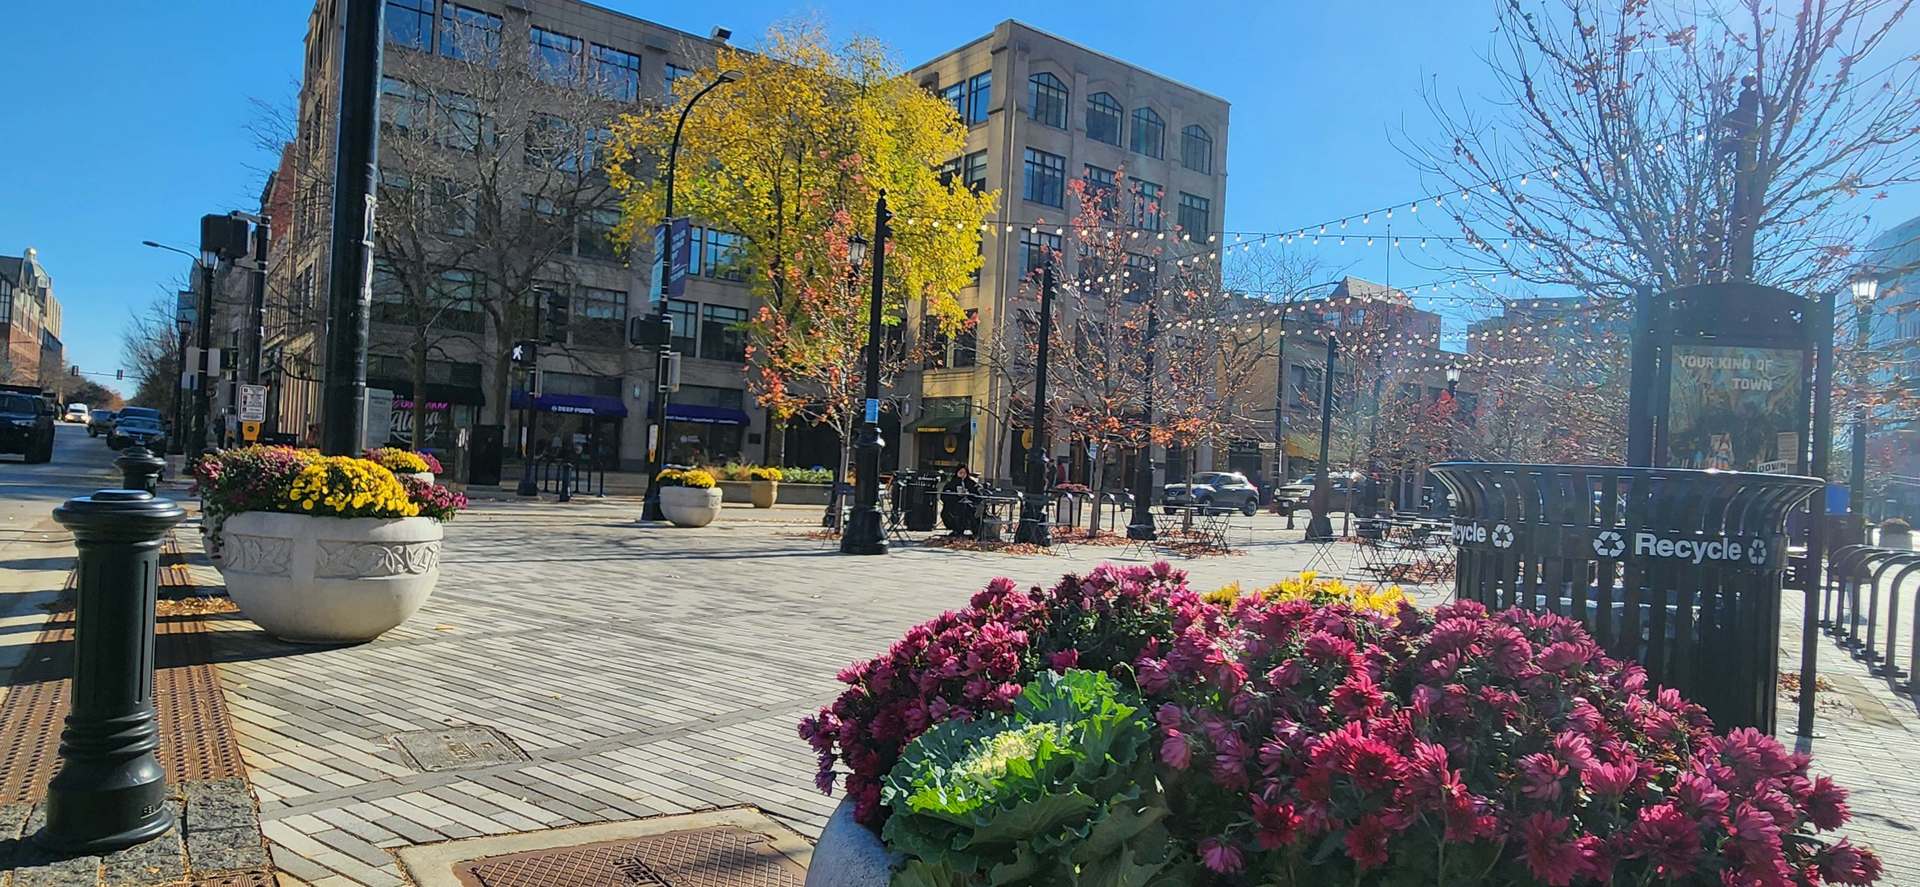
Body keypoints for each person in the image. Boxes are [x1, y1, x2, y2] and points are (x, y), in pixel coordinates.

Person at [941, 465, 982, 537]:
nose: (962, 475)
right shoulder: (952, 483)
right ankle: (957, 530)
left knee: (971, 512)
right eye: (961, 473)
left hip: (969, 505)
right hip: (954, 505)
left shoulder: (970, 482)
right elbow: (945, 495)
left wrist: (969, 494)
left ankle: (975, 531)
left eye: (964, 473)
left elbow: (977, 494)